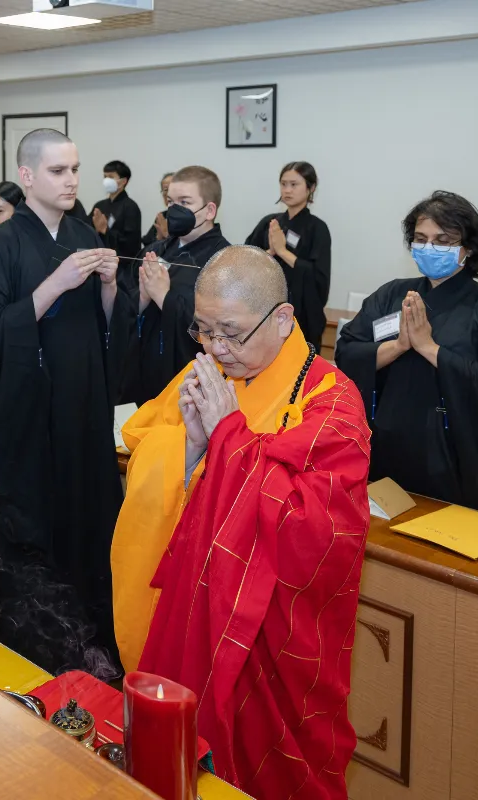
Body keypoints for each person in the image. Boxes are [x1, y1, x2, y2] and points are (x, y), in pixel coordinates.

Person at [114, 245, 371, 799]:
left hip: (272, 640)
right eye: (203, 331)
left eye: (230, 333)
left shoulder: (330, 399)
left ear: (282, 319)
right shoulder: (208, 372)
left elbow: (320, 532)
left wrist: (228, 437)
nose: (215, 348)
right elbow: (142, 442)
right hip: (195, 608)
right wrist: (192, 448)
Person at [0, 128, 125, 677]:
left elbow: (105, 334)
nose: (72, 180)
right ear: (27, 176)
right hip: (28, 430)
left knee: (89, 533)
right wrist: (53, 285)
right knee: (33, 545)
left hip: (83, 421)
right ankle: (33, 666)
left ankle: (95, 658)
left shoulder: (84, 234)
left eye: (76, 169)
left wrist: (111, 288)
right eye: (58, 171)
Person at [335, 191, 478, 522]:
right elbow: (348, 352)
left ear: (468, 248)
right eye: (420, 239)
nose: (429, 248)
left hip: (459, 465)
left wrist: (431, 349)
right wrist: (399, 346)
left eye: (443, 241)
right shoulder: (392, 295)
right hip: (387, 454)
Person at [120, 165, 231, 405]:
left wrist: (164, 297)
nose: (174, 210)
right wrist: (143, 297)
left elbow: (219, 329)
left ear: (209, 210)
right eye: (170, 202)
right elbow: (123, 306)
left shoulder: (225, 261)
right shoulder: (154, 250)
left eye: (184, 202)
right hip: (141, 374)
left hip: (188, 382)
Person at [244, 162, 332, 348]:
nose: (287, 190)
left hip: (302, 315)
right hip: (264, 310)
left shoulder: (318, 228)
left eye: (294, 184)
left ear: (311, 188)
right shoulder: (269, 222)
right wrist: (270, 252)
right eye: (283, 184)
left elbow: (319, 278)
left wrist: (283, 252)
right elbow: (245, 261)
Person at [92, 159, 144, 262]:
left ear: (123, 181)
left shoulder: (130, 207)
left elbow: (131, 243)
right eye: (105, 177)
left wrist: (105, 231)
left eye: (111, 177)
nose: (106, 180)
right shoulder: (99, 205)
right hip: (98, 260)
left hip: (121, 265)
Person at [140, 172, 175, 248]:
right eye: (165, 190)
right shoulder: (162, 216)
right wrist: (158, 239)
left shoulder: (189, 216)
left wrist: (168, 236)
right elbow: (147, 243)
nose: (168, 193)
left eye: (173, 189)